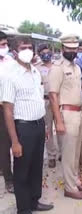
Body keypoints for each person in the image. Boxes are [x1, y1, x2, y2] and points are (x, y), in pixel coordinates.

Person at [2, 36, 53, 214]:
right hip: (22, 127)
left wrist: (45, 126)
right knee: (22, 169)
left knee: (37, 165)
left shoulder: (35, 71)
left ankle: (34, 200)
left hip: (38, 124)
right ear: (15, 51)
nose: (28, 51)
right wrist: (15, 141)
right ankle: (23, 208)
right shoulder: (9, 74)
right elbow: (8, 110)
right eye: (24, 47)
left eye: (30, 47)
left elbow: (38, 100)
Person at [49, 35, 82, 200]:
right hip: (66, 113)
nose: (72, 51)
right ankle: (70, 188)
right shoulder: (57, 68)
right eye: (69, 48)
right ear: (62, 49)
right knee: (68, 153)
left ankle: (75, 181)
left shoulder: (77, 67)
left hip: (78, 112)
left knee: (75, 152)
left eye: (75, 48)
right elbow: (53, 96)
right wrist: (58, 120)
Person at [35, 43, 58, 168]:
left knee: (61, 128)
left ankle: (63, 153)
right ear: (39, 54)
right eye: (43, 53)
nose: (46, 55)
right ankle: (51, 156)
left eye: (48, 52)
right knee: (47, 129)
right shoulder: (36, 68)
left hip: (58, 100)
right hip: (45, 101)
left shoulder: (57, 66)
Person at [0, 31, 14, 194]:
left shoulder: (10, 60)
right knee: (4, 145)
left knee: (13, 141)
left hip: (13, 106)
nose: (4, 48)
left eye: (5, 45)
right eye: (1, 45)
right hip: (1, 107)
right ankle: (9, 180)